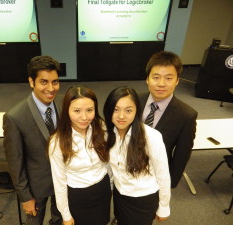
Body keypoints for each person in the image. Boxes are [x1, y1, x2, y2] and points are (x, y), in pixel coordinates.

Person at [3, 55, 62, 225]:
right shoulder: (14, 117)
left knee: (60, 220)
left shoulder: (63, 105)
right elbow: (15, 162)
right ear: (31, 82)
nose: (51, 88)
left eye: (55, 82)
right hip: (36, 187)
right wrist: (25, 196)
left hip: (62, 181)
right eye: (44, 82)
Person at [103, 86, 171, 225]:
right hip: (120, 196)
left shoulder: (151, 137)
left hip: (142, 199)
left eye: (128, 110)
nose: (121, 116)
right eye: (116, 109)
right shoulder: (107, 134)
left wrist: (164, 207)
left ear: (136, 111)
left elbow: (163, 175)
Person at [48, 86, 111, 225]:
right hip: (77, 197)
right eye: (77, 111)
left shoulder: (101, 128)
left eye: (89, 110)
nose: (84, 117)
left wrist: (111, 186)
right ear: (67, 111)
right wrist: (65, 214)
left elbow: (108, 163)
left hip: (102, 190)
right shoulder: (57, 141)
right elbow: (59, 182)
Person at [139, 51, 198, 188]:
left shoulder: (186, 115)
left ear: (177, 80)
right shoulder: (134, 101)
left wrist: (169, 184)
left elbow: (181, 155)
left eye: (168, 78)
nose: (161, 84)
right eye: (156, 77)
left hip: (156, 175)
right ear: (147, 79)